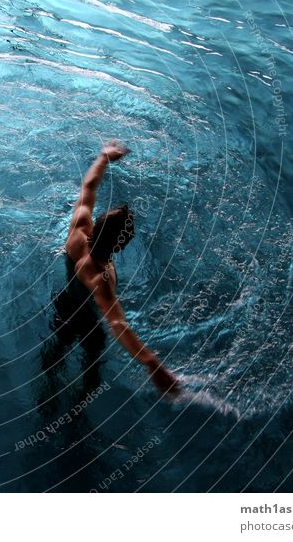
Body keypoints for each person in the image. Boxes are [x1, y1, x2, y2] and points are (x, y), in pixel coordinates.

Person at [58, 139, 180, 396]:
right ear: (119, 244)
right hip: (87, 320)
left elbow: (89, 185)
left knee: (55, 352)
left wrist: (104, 157)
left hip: (63, 303)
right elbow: (117, 323)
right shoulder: (100, 277)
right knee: (92, 369)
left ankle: (48, 390)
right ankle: (79, 404)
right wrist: (151, 364)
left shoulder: (80, 227)